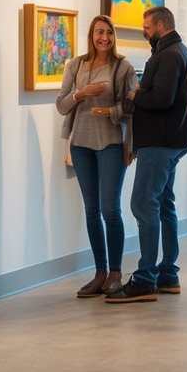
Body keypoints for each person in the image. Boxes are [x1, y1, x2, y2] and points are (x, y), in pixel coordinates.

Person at [105, 6, 187, 303]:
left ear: (160, 25)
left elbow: (161, 99)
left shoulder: (169, 55)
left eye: (146, 27)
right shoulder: (178, 51)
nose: (144, 32)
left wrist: (136, 95)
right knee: (163, 204)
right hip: (173, 139)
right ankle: (168, 273)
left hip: (161, 142)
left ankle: (146, 278)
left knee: (143, 204)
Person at [55, 15, 137, 298]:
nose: (104, 38)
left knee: (110, 209)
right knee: (91, 210)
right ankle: (100, 273)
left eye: (109, 32)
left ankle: (115, 272)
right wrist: (80, 94)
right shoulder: (76, 65)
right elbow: (61, 105)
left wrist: (109, 112)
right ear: (91, 35)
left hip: (111, 143)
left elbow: (132, 107)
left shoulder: (123, 67)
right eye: (100, 32)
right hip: (81, 144)